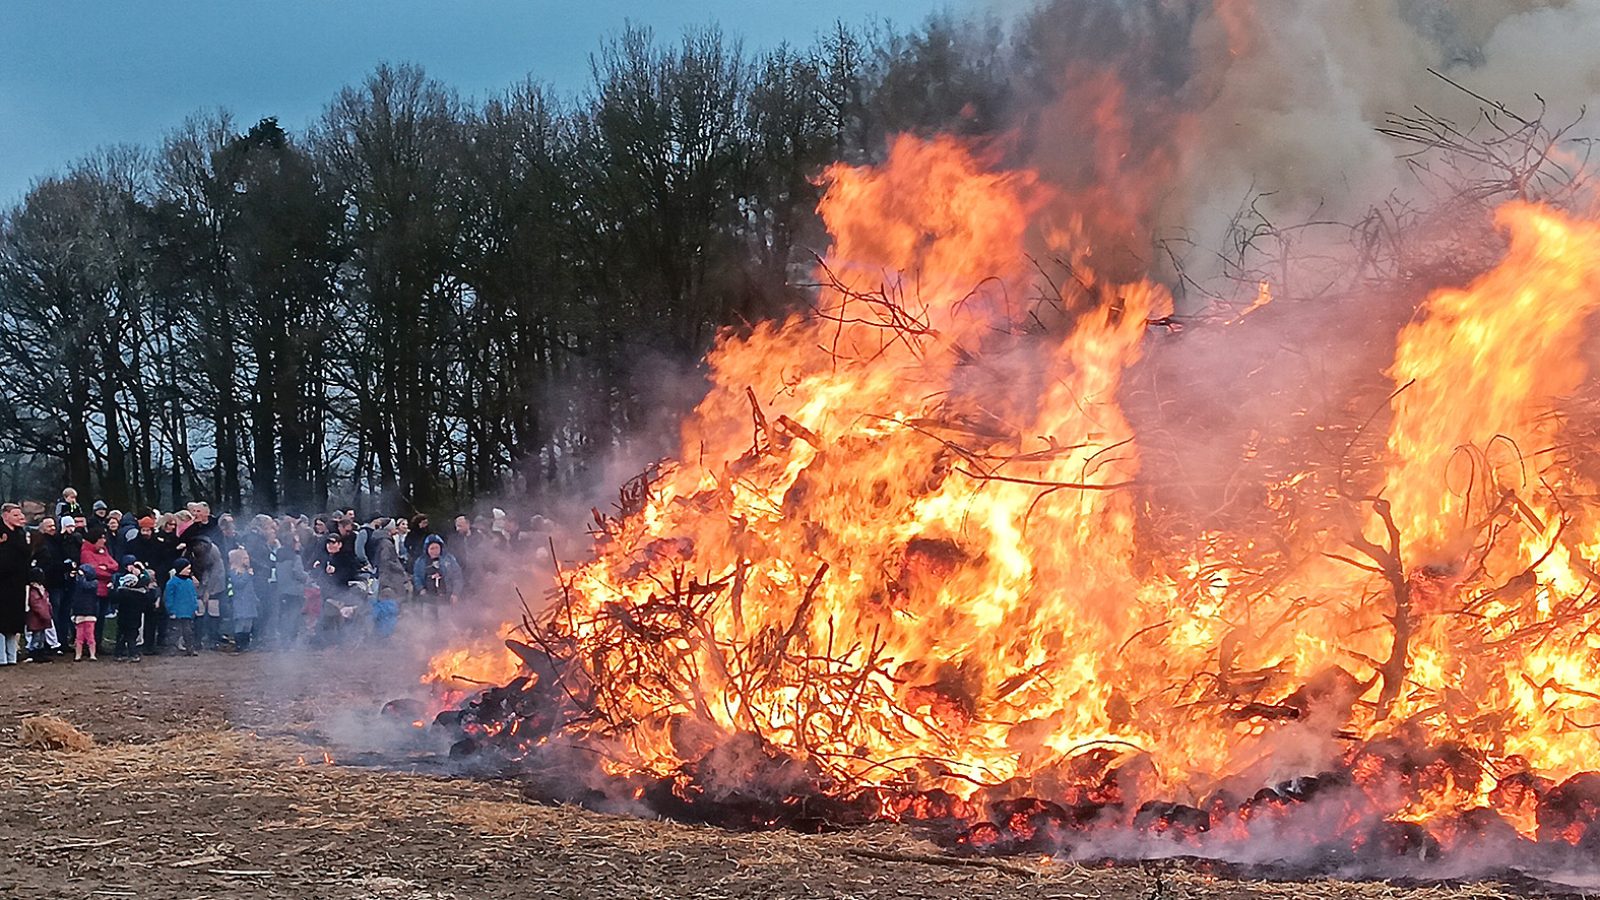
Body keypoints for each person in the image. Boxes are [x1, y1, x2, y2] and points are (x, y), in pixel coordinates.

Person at [0, 503, 32, 666]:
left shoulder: (21, 534)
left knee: (14, 621)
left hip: (18, 583)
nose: (20, 518)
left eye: (21, 515)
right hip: (2, 583)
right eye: (15, 515)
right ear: (5, 516)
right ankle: (1, 657)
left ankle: (11, 657)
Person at [79, 528, 120, 646]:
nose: (104, 540)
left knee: (101, 618)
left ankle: (99, 642)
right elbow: (93, 571)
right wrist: (107, 571)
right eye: (102, 538)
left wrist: (104, 566)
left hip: (105, 589)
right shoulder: (86, 553)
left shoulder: (104, 550)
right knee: (93, 618)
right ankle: (89, 644)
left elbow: (115, 565)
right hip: (94, 591)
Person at [366, 519, 407, 640]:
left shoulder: (382, 541)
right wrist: (387, 582)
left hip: (386, 579)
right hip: (390, 581)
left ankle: (382, 635)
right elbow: (385, 563)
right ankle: (385, 636)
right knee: (389, 607)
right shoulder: (386, 543)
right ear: (390, 529)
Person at [113, 558, 154, 661]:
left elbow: (113, 597)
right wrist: (141, 572)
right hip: (134, 618)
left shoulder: (121, 591)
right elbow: (146, 581)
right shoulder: (138, 593)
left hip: (123, 617)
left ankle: (119, 653)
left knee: (122, 635)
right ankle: (132, 653)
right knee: (131, 636)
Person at [188, 538, 226, 650]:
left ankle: (213, 640)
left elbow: (216, 572)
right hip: (197, 582)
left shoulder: (214, 552)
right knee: (199, 612)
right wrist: (192, 576)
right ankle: (197, 640)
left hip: (215, 585)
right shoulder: (189, 552)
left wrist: (209, 591)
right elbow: (184, 565)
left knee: (213, 612)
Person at [412, 535, 462, 616]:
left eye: (437, 548)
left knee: (445, 622)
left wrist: (455, 593)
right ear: (427, 549)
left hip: (445, 598)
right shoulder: (421, 561)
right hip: (428, 599)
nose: (435, 551)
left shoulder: (449, 559)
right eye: (432, 548)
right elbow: (417, 576)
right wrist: (421, 589)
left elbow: (457, 577)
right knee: (429, 623)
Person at [164, 558, 200, 656]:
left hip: (188, 612)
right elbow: (168, 598)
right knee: (174, 632)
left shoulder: (189, 582)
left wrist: (195, 607)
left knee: (189, 632)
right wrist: (171, 610)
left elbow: (193, 596)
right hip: (177, 613)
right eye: (187, 569)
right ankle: (172, 649)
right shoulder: (172, 583)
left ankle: (190, 649)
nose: (189, 571)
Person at [227, 548, 259, 652]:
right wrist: (247, 575)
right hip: (240, 601)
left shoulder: (246, 571)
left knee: (248, 624)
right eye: (245, 558)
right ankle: (239, 645)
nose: (248, 560)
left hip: (249, 601)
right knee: (241, 623)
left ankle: (246, 644)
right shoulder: (233, 572)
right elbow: (238, 584)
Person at [69, 563, 100, 661]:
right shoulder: (78, 584)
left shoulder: (94, 583)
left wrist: (81, 577)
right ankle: (78, 655)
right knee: (79, 637)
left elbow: (85, 586)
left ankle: (92, 654)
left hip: (90, 613)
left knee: (90, 636)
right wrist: (72, 577)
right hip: (79, 612)